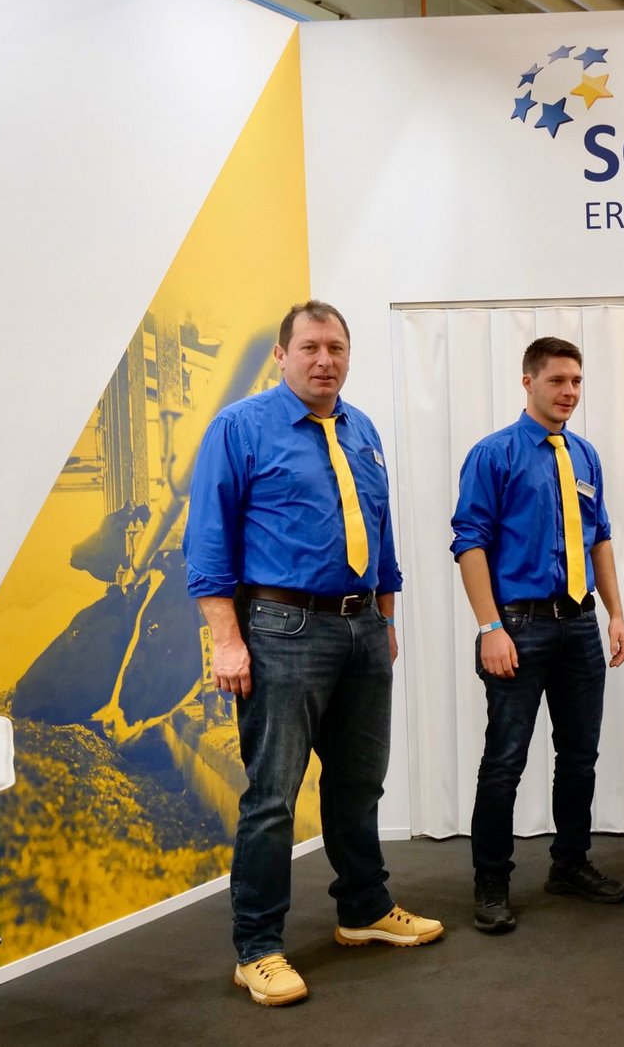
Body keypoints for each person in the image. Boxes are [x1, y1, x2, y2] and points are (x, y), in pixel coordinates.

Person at [185, 300, 442, 1009]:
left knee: (359, 784)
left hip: (363, 628)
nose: (325, 360)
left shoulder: (362, 429)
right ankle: (257, 949)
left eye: (336, 348)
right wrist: (227, 640)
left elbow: (380, 531)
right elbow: (208, 541)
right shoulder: (240, 428)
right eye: (310, 347)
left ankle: (364, 909)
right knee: (272, 797)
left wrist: (386, 617)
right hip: (280, 630)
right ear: (282, 355)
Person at [451, 336, 624, 934]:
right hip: (518, 627)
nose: (569, 392)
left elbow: (599, 538)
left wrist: (616, 614)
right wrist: (490, 627)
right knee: (505, 760)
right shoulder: (493, 454)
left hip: (579, 625)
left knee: (579, 756)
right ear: (528, 382)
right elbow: (469, 544)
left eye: (576, 381)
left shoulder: (584, 455)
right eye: (557, 380)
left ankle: (570, 864)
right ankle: (491, 881)